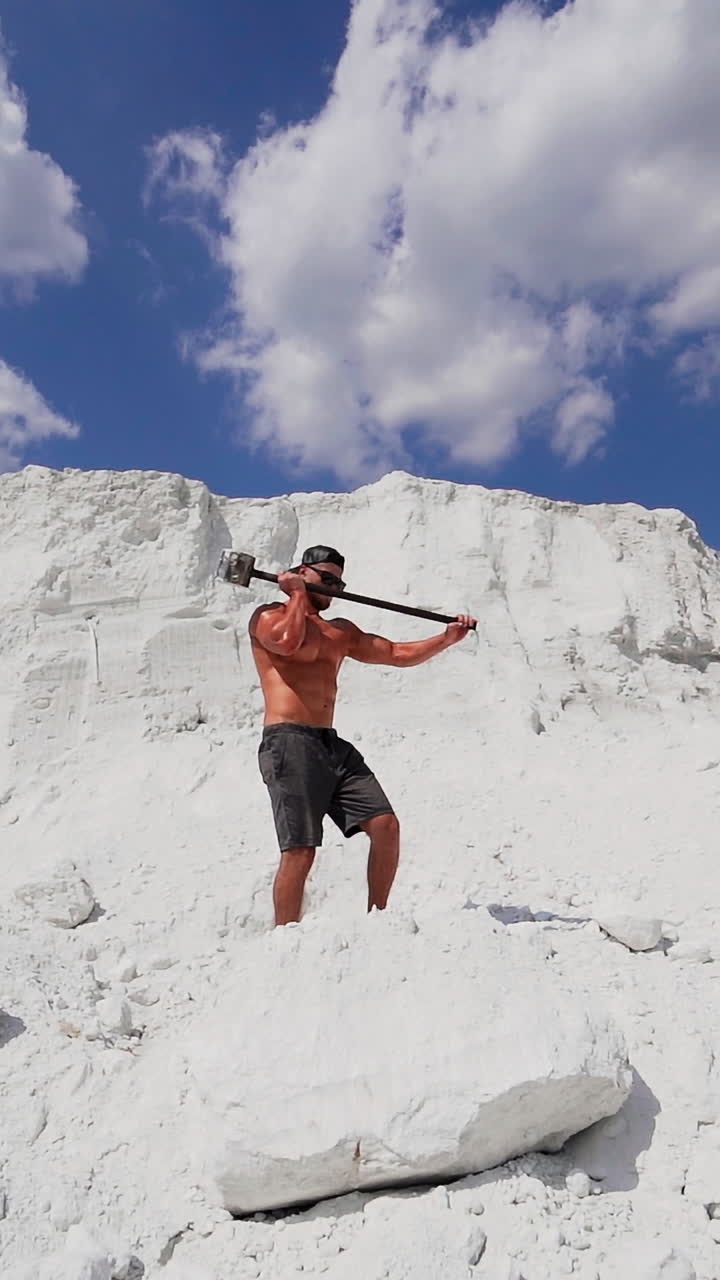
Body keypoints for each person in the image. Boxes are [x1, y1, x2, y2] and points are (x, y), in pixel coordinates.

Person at [249, 545, 476, 926]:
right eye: (327, 579)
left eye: (339, 581)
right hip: (288, 741)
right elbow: (288, 641)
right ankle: (285, 939)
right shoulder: (267, 616)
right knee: (301, 850)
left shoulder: (340, 632)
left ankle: (378, 922)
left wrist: (447, 638)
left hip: (329, 744)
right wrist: (296, 596)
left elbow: (395, 653)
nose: (335, 587)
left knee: (385, 826)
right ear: (302, 572)